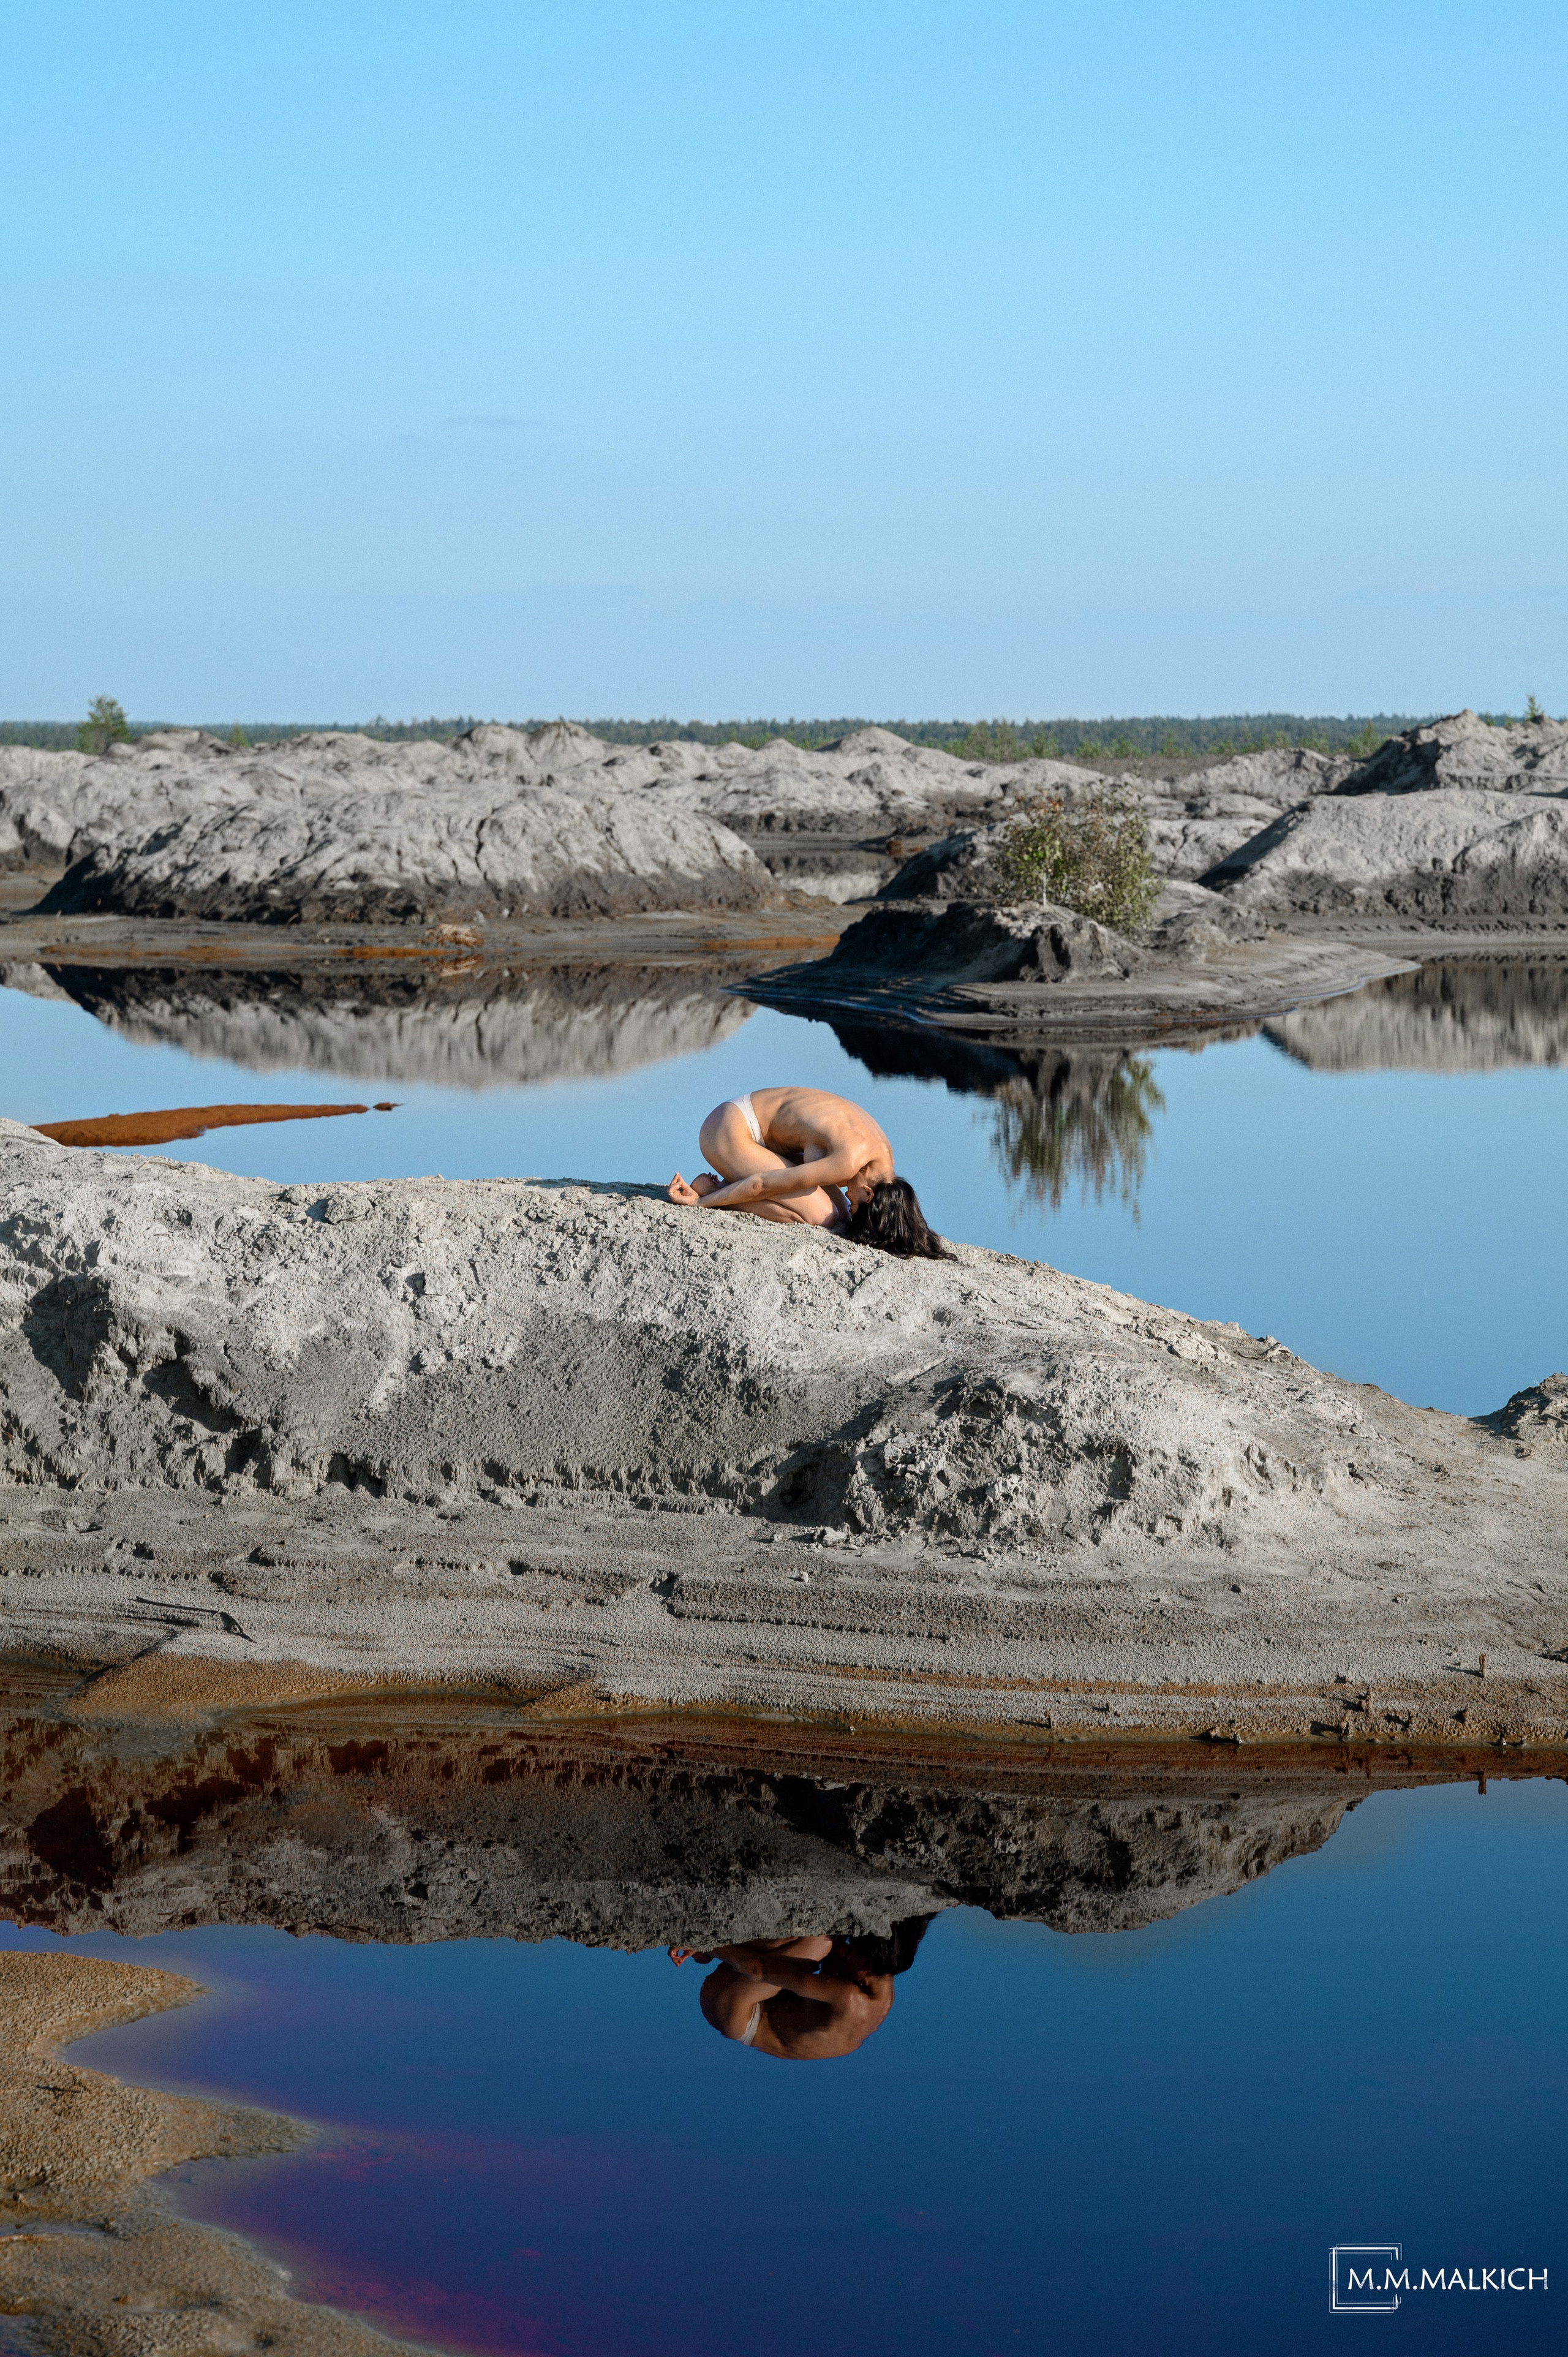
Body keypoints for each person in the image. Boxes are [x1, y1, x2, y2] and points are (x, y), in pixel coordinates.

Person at [667, 1086, 952, 1259]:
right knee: (822, 1217)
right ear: (869, 1194)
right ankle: (711, 1191)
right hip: (728, 1131)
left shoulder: (881, 1158)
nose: (847, 1198)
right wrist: (700, 1204)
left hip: (751, 1128)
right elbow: (760, 1185)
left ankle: (725, 1186)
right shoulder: (850, 1161)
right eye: (856, 1205)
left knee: (835, 1211)